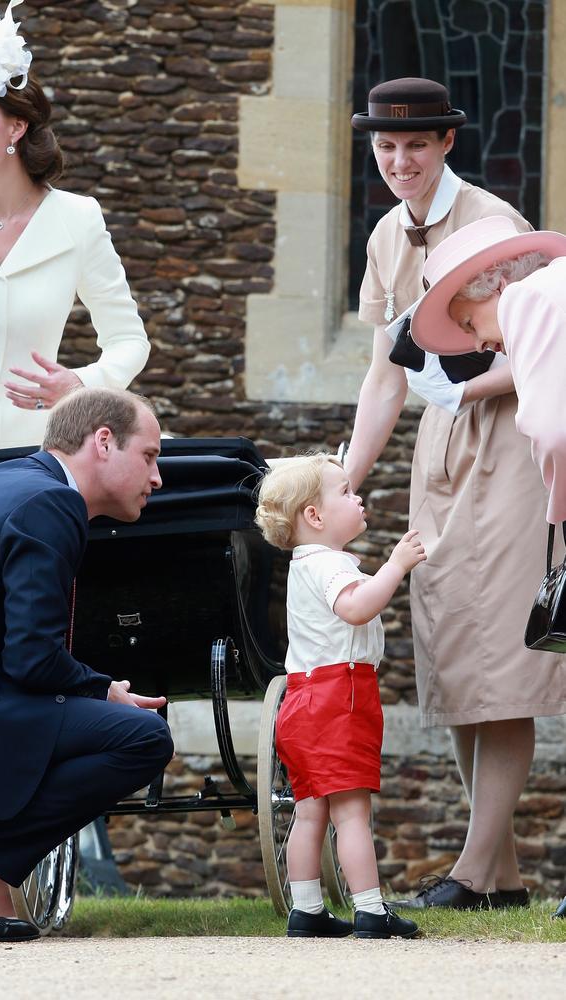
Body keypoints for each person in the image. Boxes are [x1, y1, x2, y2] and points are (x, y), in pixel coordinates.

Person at [344, 77, 566, 911]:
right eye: (386, 147)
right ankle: (502, 878)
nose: (399, 161)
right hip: (441, 456)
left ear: (446, 145)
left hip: (514, 442)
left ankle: (472, 875)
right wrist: (345, 480)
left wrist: (464, 392)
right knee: (459, 656)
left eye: (415, 145)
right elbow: (381, 378)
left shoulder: (492, 227)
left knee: (503, 657)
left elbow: (538, 348)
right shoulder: (384, 236)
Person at [0, 387, 174, 942]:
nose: (157, 479)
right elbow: (32, 659)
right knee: (142, 738)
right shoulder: (52, 502)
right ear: (103, 441)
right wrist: (104, 690)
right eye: (150, 457)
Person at [0, 0, 150, 519]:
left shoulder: (78, 218)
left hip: (35, 466)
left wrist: (82, 384)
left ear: (16, 128)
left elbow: (130, 341)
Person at [255, 454, 425, 939]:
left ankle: (306, 909)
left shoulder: (303, 564)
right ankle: (370, 909)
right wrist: (395, 567)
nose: (359, 498)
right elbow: (355, 607)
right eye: (347, 492)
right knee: (352, 810)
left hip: (302, 699)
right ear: (315, 516)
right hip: (339, 698)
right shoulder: (330, 564)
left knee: (310, 810)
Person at [409, 215, 566, 528]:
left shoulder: (523, 297)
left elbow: (553, 435)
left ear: (498, 284)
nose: (478, 345)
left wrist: (559, 508)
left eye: (469, 324)